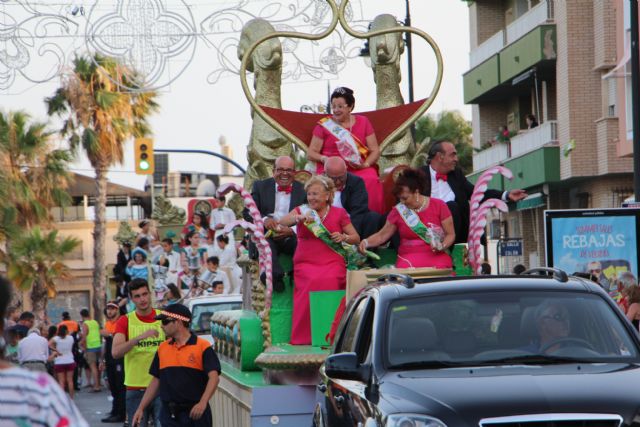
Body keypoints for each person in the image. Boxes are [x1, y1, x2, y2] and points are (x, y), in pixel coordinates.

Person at [278, 175, 360, 345]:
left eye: (316, 194)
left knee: (330, 280)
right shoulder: (302, 211)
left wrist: (343, 237)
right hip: (305, 262)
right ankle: (302, 339)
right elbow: (283, 221)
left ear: (328, 195)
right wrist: (298, 218)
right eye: (309, 194)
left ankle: (329, 335)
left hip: (332, 261)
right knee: (310, 282)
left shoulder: (339, 213)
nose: (312, 198)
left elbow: (356, 238)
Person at [0, 277, 88, 426]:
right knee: (67, 382)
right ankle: (71, 399)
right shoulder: (41, 392)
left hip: (29, 364)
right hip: (46, 366)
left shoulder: (25, 342)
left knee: (62, 381)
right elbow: (47, 355)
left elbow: (21, 357)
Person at [420, 141, 527, 244]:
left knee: (451, 206)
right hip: (426, 232)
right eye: (452, 155)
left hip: (456, 236)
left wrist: (506, 195)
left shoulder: (456, 175)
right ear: (440, 157)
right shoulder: (419, 175)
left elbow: (477, 194)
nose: (456, 159)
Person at [131, 304, 220, 427]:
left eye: (165, 322)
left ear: (178, 322)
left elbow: (214, 377)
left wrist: (202, 403)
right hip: (169, 414)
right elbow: (156, 380)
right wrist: (141, 408)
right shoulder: (162, 348)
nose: (161, 326)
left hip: (196, 413)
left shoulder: (202, 347)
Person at [308, 86, 384, 214]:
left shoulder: (363, 121)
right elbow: (311, 153)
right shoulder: (324, 125)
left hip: (357, 167)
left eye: (340, 106)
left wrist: (365, 164)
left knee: (371, 179)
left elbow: (375, 150)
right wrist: (325, 159)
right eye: (334, 106)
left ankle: (370, 217)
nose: (336, 110)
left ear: (350, 106)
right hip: (331, 168)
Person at [358, 168, 455, 269]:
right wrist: (366, 242)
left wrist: (442, 246)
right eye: (400, 198)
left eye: (405, 198)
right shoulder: (398, 211)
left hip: (436, 255)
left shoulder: (439, 205)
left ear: (416, 192)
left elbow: (450, 234)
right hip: (408, 257)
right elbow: (382, 235)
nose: (402, 202)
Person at [245, 155, 306, 292]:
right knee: (266, 244)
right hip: (266, 235)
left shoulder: (304, 190)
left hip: (290, 235)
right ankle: (274, 275)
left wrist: (291, 230)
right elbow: (248, 212)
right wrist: (264, 220)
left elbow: (309, 216)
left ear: (294, 173)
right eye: (280, 170)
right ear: (273, 171)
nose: (284, 173)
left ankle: (297, 275)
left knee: (302, 243)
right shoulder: (260, 186)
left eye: (289, 170)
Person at [112, 278, 165, 427]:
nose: (142, 299)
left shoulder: (163, 317)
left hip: (161, 388)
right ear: (131, 298)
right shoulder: (125, 321)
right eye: (137, 296)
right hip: (135, 389)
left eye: (144, 294)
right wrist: (138, 338)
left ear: (150, 294)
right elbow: (115, 352)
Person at [323, 156, 384, 239]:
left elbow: (358, 210)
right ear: (325, 173)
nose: (338, 182)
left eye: (341, 177)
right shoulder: (319, 184)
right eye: (333, 179)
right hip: (327, 222)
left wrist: (351, 237)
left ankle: (363, 249)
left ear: (346, 170)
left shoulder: (356, 182)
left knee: (373, 217)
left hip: (350, 223)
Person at [101, 301, 126, 423]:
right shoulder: (108, 323)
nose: (110, 311)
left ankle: (121, 413)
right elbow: (106, 344)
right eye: (108, 308)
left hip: (119, 360)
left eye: (112, 308)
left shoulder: (122, 321)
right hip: (110, 359)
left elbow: (122, 339)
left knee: (120, 386)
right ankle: (115, 410)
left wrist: (110, 334)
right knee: (113, 386)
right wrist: (103, 360)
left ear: (117, 310)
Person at [50, 324, 77, 398]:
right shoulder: (71, 338)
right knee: (70, 381)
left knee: (61, 382)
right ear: (66, 331)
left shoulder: (56, 338)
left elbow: (49, 344)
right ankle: (71, 398)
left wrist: (56, 350)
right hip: (70, 361)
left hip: (59, 362)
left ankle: (63, 399)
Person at [80, 308, 102, 392]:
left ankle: (96, 386)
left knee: (93, 367)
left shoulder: (85, 324)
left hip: (90, 347)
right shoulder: (95, 322)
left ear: (82, 316)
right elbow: (99, 333)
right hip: (98, 346)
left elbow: (84, 337)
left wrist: (83, 347)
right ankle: (99, 383)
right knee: (98, 366)